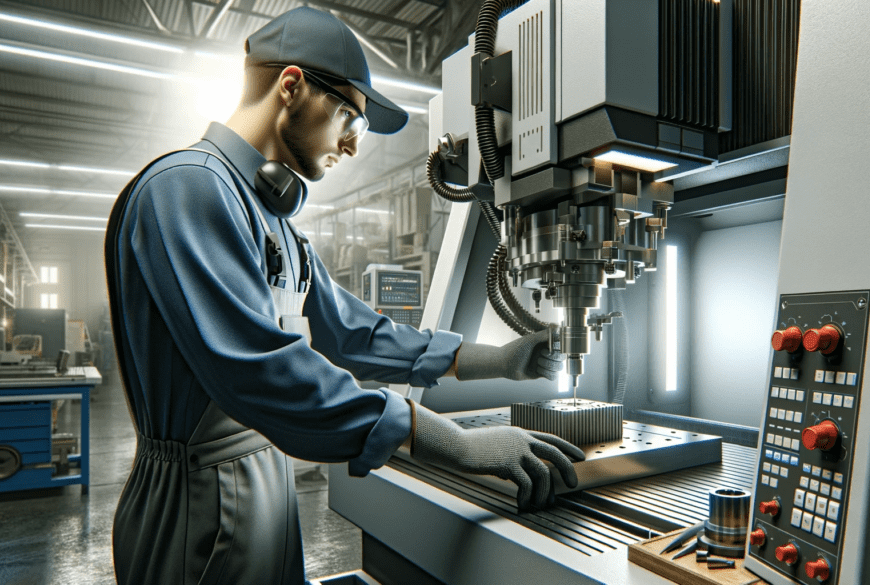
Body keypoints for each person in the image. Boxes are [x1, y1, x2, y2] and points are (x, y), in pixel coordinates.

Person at [104, 7, 585, 585]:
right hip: (196, 500)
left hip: (266, 481)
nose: (353, 145)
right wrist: (450, 441)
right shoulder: (186, 190)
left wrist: (501, 360)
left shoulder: (278, 225)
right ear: (291, 87)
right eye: (348, 117)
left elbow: (356, 334)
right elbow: (258, 371)